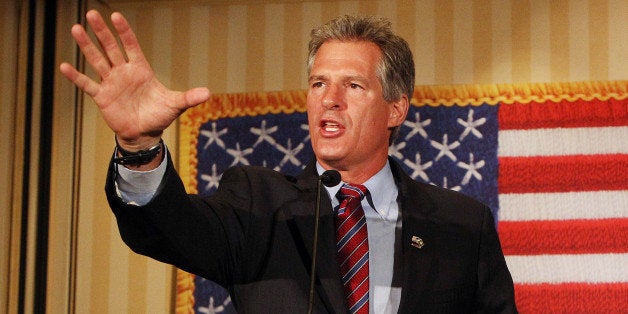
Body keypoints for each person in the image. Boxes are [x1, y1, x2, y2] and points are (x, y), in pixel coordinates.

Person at [60, 9, 517, 313]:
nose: (330, 100)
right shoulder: (259, 204)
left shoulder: (461, 225)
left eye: (353, 86)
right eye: (319, 84)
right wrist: (139, 147)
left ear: (395, 108)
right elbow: (166, 226)